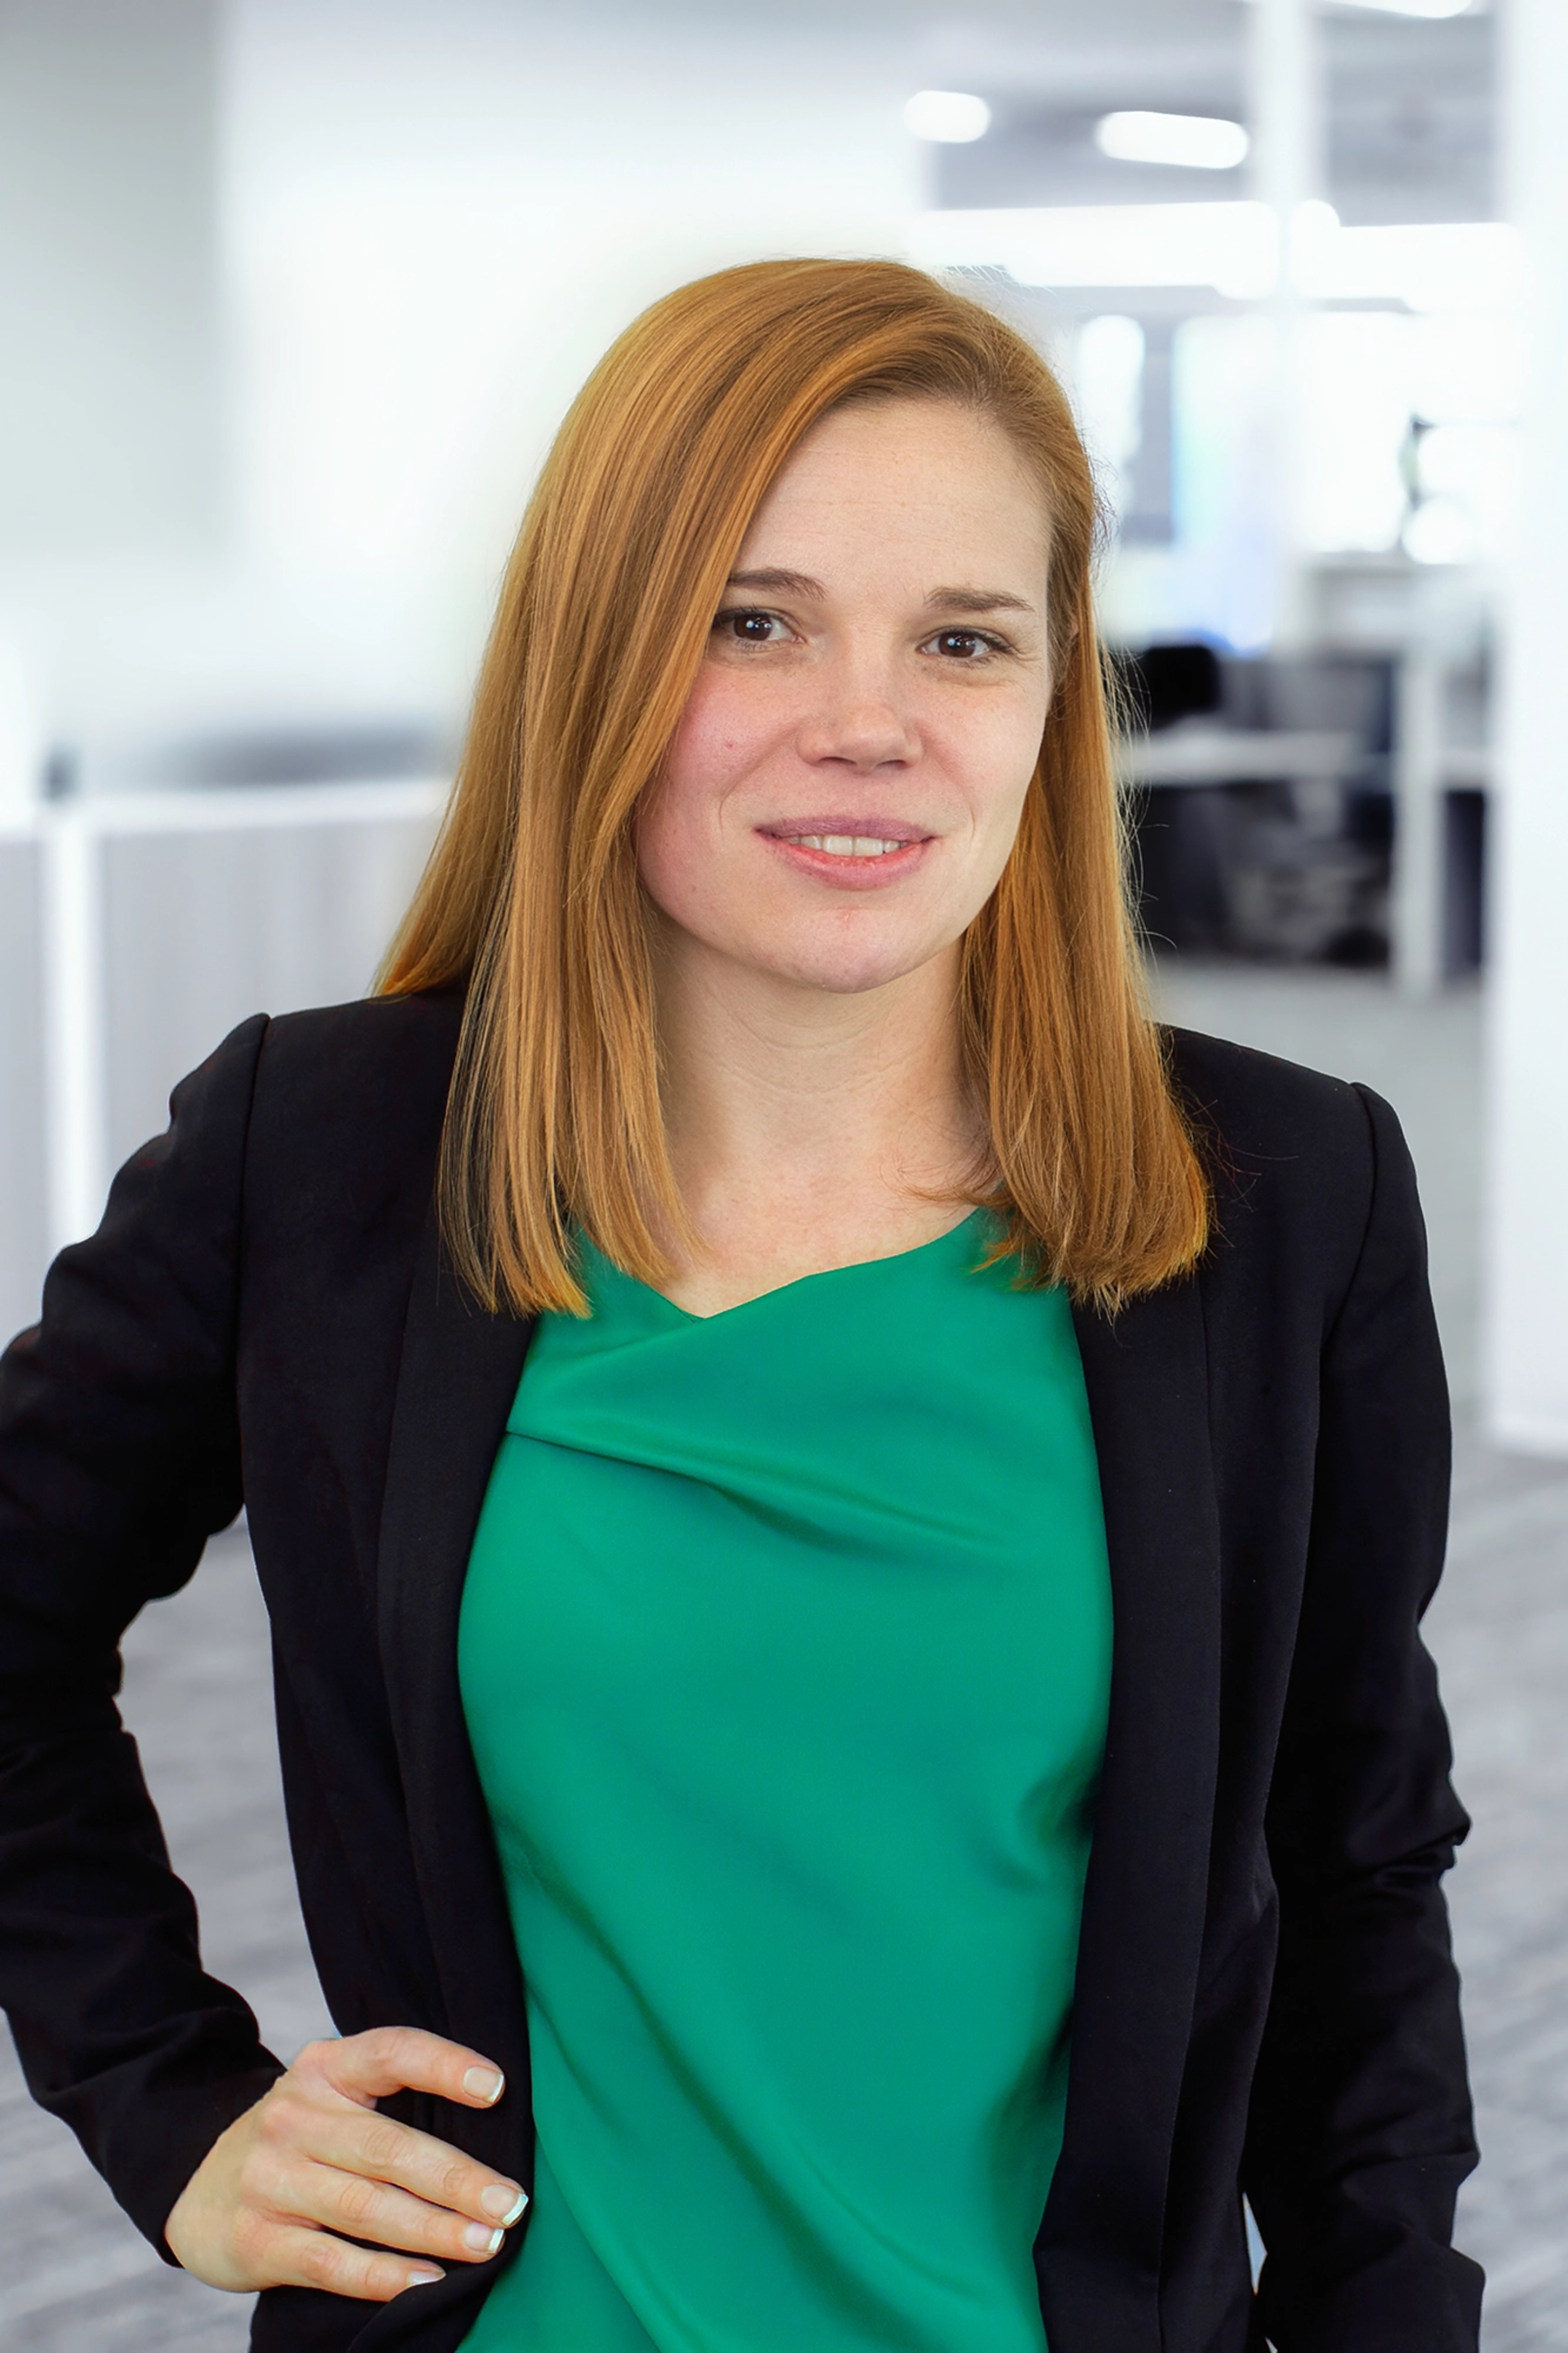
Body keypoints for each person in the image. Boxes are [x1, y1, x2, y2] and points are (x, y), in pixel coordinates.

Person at [0, 259, 1481, 2353]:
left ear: (1052, 697)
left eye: (961, 638)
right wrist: (166, 2103)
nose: (866, 720)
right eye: (752, 618)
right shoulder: (327, 1156)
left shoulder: (1280, 1196)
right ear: (596, 651)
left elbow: (1353, 1876)